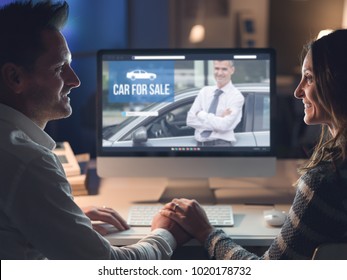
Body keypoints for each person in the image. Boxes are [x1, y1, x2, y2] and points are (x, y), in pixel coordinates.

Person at [0, 0, 188, 260]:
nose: (75, 80)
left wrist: (63, 219)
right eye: (58, 68)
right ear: (15, 78)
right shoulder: (28, 162)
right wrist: (165, 234)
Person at [159, 29, 347, 259]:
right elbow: (192, 118)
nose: (298, 92)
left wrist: (204, 230)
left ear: (337, 83)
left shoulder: (325, 182)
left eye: (308, 77)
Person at [186, 60, 244, 146]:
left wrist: (201, 114)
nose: (219, 73)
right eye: (217, 68)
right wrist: (218, 118)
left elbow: (224, 126)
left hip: (221, 146)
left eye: (224, 69)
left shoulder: (236, 96)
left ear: (232, 70)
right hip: (199, 145)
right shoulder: (204, 91)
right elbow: (190, 120)